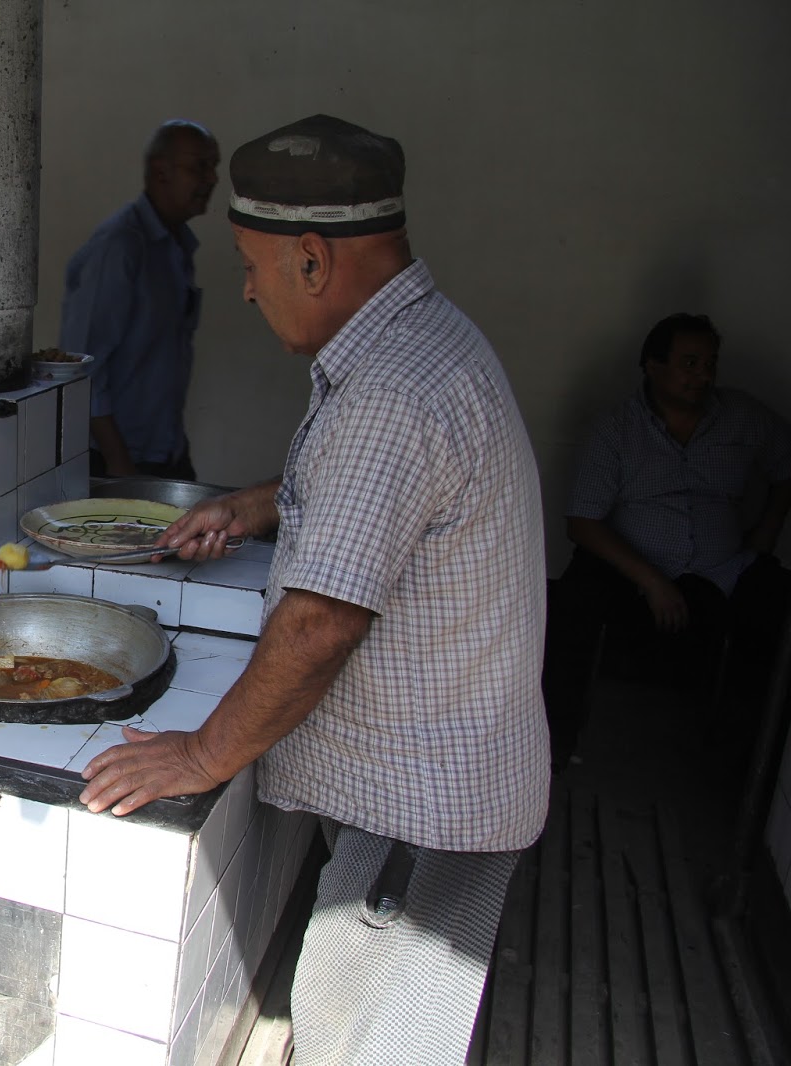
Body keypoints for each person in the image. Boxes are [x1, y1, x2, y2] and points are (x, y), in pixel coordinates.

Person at [77, 114, 550, 1065]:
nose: (246, 288)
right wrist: (262, 503)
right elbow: (394, 506)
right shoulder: (422, 342)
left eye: (252, 262)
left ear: (311, 259)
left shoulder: (385, 396)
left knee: (369, 1041)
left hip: (425, 810)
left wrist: (204, 756)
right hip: (446, 782)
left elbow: (319, 627)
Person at [542, 313, 791, 768]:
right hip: (636, 572)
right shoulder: (617, 428)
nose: (703, 376)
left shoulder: (742, 416)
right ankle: (556, 745)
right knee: (572, 597)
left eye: (710, 364)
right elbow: (582, 521)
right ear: (653, 367)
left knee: (776, 602)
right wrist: (651, 580)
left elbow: (786, 464)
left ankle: (751, 763)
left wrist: (767, 532)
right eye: (689, 364)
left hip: (724, 570)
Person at [59, 120, 220, 479]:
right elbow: (82, 368)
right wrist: (120, 466)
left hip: (165, 455)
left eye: (213, 166)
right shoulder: (120, 248)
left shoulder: (176, 247)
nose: (212, 179)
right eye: (199, 166)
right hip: (116, 463)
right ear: (160, 171)